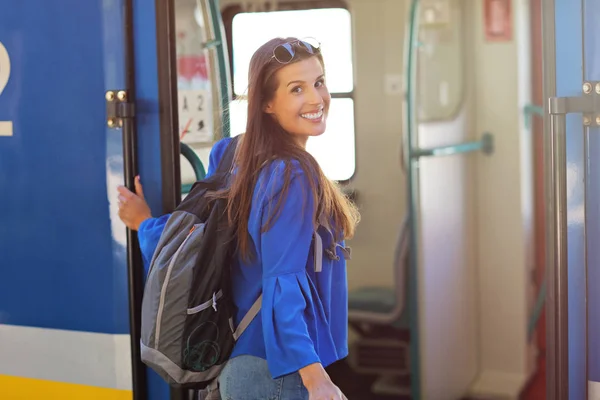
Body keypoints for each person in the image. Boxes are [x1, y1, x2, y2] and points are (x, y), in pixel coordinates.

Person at [117, 37, 360, 400]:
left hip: (238, 365)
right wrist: (316, 379)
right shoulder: (293, 175)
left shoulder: (232, 155)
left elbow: (199, 244)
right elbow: (283, 283)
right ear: (266, 103)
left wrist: (144, 223)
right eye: (296, 89)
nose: (316, 99)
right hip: (280, 368)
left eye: (319, 82)